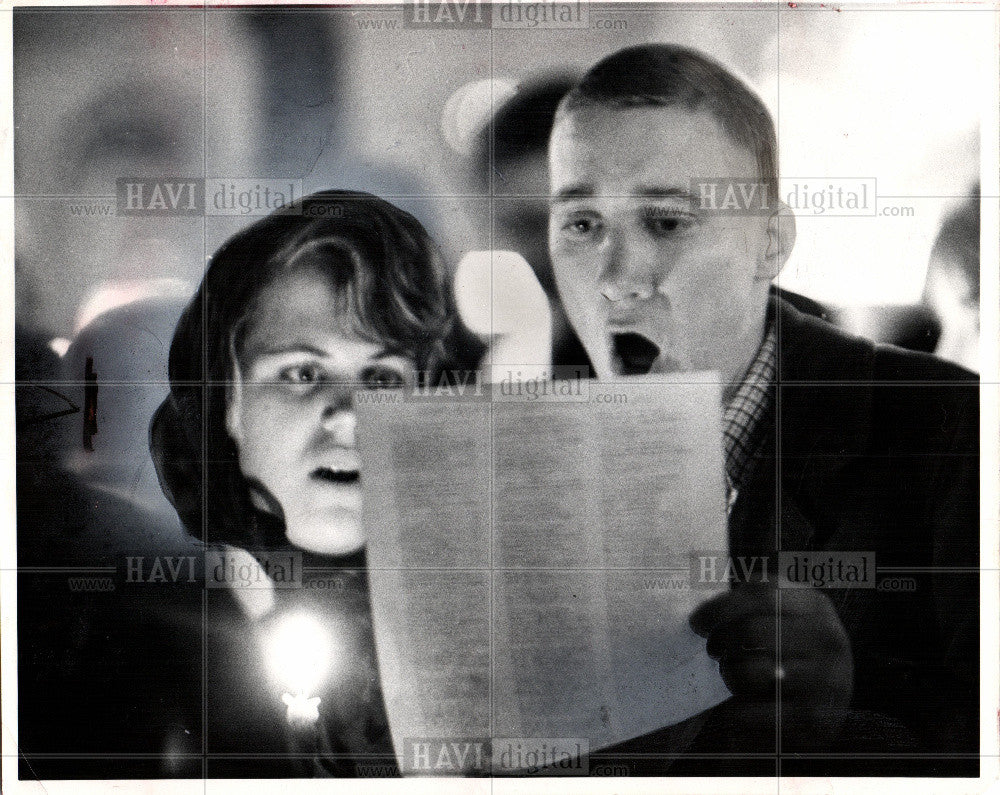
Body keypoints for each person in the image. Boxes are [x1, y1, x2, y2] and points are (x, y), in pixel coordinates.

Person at [546, 44, 978, 776]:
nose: (615, 281)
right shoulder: (527, 460)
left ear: (770, 242)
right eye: (583, 225)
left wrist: (841, 715)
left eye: (667, 222)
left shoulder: (951, 434)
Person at [148, 190, 484, 777]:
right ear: (227, 402)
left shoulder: (492, 608)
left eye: (381, 377)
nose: (348, 414)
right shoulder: (157, 629)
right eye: (302, 372)